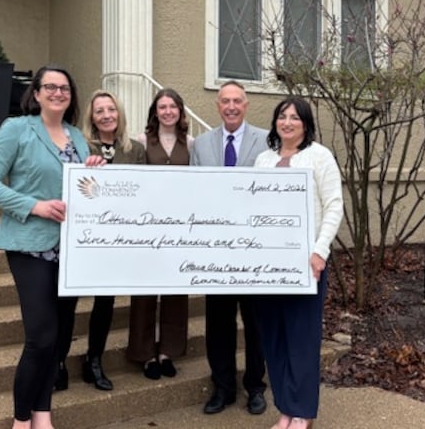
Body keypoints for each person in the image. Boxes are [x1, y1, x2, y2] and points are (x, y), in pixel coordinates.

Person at [0, 65, 106, 429]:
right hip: (29, 246)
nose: (58, 93)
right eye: (50, 86)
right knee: (41, 336)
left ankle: (42, 414)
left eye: (65, 88)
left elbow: (83, 191)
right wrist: (35, 206)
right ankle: (21, 420)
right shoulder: (16, 129)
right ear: (35, 93)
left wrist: (94, 172)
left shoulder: (77, 137)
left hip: (70, 250)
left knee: (59, 338)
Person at [253, 96, 344, 429]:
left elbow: (334, 206)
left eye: (295, 117)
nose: (287, 122)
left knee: (301, 339)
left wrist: (320, 251)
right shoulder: (263, 159)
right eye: (282, 116)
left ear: (305, 124)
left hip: (306, 265)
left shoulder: (320, 157)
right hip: (267, 265)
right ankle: (285, 409)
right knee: (274, 338)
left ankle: (303, 412)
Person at [189, 80, 268, 415]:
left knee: (255, 323)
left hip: (254, 250)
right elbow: (193, 189)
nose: (231, 106)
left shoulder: (266, 140)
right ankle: (223, 387)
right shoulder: (202, 144)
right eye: (225, 101)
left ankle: (255, 387)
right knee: (218, 322)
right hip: (216, 250)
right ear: (217, 106)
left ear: (246, 105)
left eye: (237, 101)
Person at [60, 89, 146, 391]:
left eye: (111, 109)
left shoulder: (135, 150)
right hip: (82, 238)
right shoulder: (79, 145)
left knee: (105, 302)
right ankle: (58, 361)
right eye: (100, 111)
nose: (107, 115)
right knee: (67, 303)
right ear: (92, 118)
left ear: (119, 113)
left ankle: (94, 360)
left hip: (116, 240)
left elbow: (143, 191)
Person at [127, 87, 194, 379]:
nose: (168, 112)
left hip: (179, 226)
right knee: (144, 290)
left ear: (180, 111)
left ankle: (168, 351)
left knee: (175, 289)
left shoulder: (191, 143)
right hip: (147, 227)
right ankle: (144, 354)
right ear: (155, 112)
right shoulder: (140, 142)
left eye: (172, 107)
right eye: (162, 107)